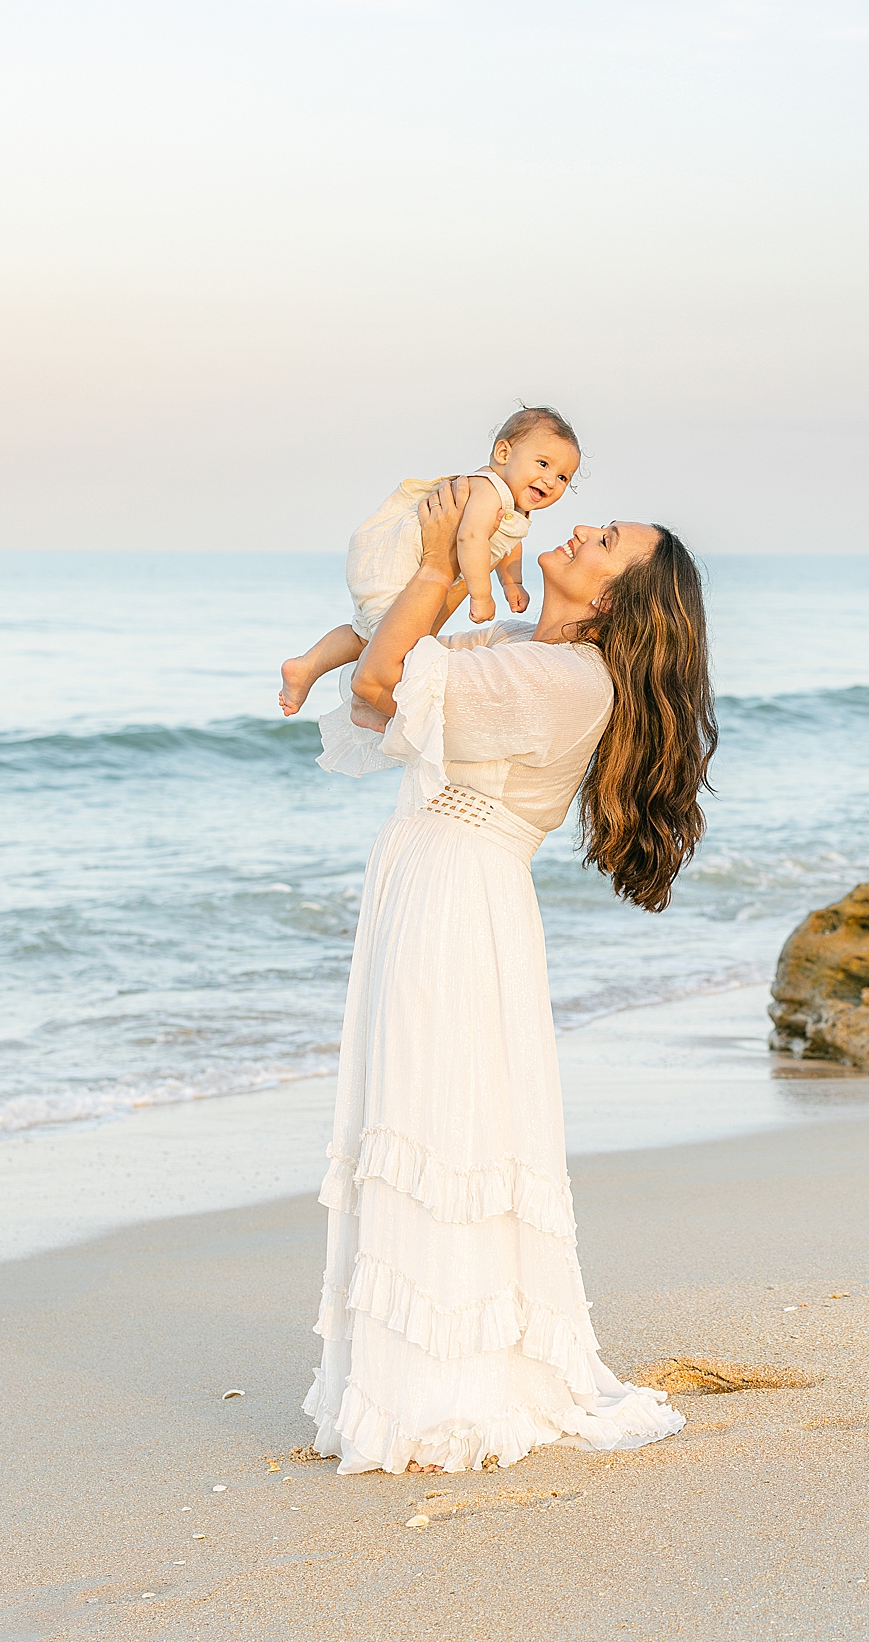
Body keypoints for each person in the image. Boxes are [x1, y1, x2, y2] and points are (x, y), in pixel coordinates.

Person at [303, 477, 715, 1474]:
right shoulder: (526, 652)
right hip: (437, 881)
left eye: (603, 538)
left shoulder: (564, 681)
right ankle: (411, 1377)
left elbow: (381, 684)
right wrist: (446, 544)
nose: (578, 526)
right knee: (429, 1109)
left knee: (440, 1115)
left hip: (457, 899)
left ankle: (446, 1390)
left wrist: (446, 565)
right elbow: (386, 641)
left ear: (617, 596)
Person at [277, 407, 582, 717]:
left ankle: (305, 667)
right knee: (399, 643)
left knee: (368, 636)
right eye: (543, 463)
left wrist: (512, 582)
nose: (550, 480)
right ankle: (366, 702)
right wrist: (482, 594)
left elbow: (510, 544)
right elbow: (471, 538)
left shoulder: (512, 505)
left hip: (398, 564)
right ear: (504, 452)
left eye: (562, 477)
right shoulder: (489, 490)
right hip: (400, 558)